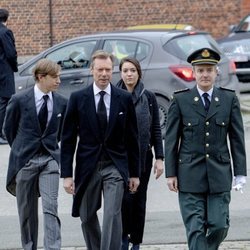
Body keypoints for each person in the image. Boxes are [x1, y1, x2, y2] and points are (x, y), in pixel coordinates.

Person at [164, 47, 247, 250]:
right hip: (189, 175)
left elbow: (237, 138)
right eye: (200, 70)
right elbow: (171, 140)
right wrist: (171, 173)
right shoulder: (181, 100)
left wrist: (240, 173)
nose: (205, 74)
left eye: (209, 70)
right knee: (195, 229)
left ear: (216, 72)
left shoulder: (228, 99)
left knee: (220, 226)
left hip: (219, 175)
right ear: (193, 73)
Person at [61, 50, 140, 250]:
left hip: (115, 166)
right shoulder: (78, 98)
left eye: (108, 69)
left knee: (112, 215)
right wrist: (67, 175)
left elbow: (132, 138)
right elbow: (68, 139)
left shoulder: (123, 98)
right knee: (86, 216)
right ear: (92, 70)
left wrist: (134, 174)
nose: (104, 74)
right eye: (100, 70)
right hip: (88, 167)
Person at [4, 59, 67, 250]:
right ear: (41, 77)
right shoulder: (19, 100)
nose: (58, 81)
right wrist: (22, 149)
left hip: (50, 160)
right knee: (27, 211)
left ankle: (52, 247)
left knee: (51, 207)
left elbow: (63, 132)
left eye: (59, 77)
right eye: (54, 77)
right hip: (25, 161)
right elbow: (9, 130)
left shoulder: (62, 102)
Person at [116, 57, 164, 250]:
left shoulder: (148, 97)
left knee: (138, 201)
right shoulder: (114, 95)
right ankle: (122, 238)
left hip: (143, 156)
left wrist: (159, 158)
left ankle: (136, 241)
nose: (129, 74)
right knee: (123, 200)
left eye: (133, 71)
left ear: (138, 73)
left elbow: (156, 129)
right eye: (125, 70)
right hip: (120, 158)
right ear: (120, 73)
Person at [0, 8, 18, 144]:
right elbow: (11, 53)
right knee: (4, 102)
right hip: (4, 72)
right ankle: (2, 133)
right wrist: (15, 67)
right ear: (7, 18)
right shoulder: (5, 32)